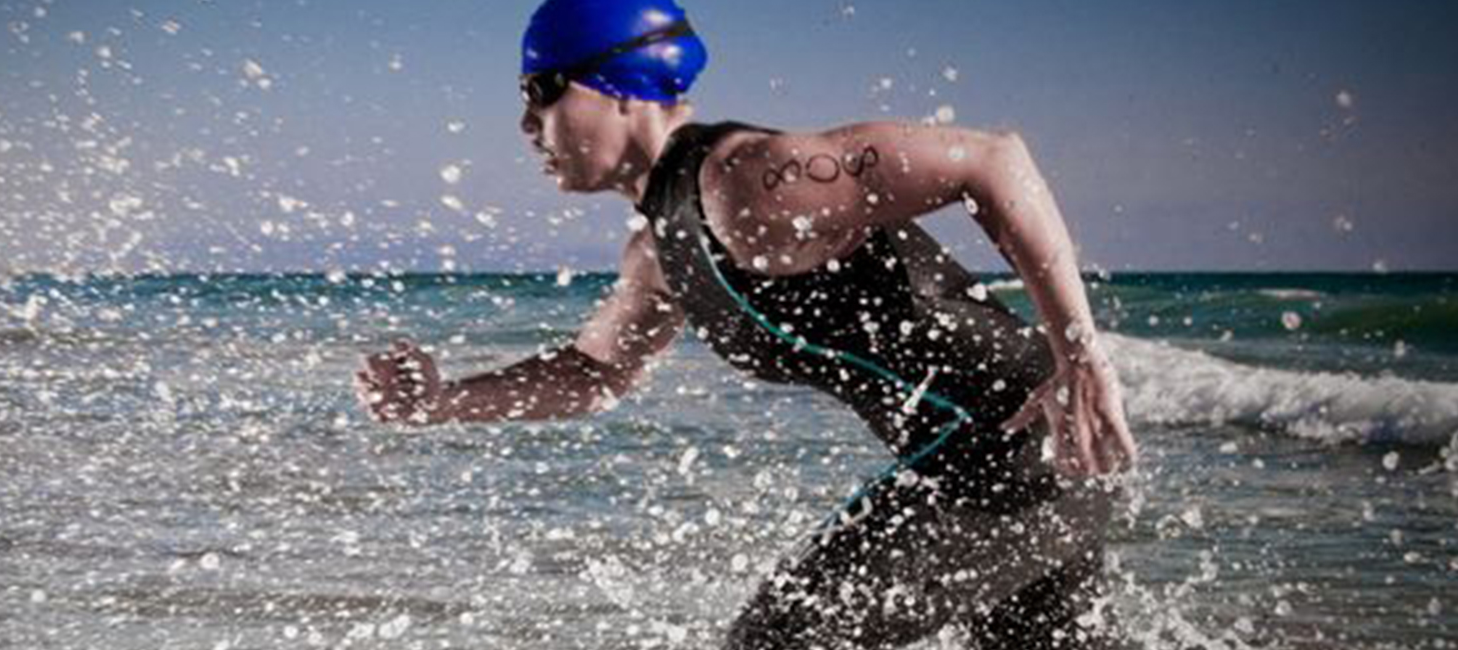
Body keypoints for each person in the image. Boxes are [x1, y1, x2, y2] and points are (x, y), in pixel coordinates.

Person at [354, 1, 1138, 647]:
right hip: (1013, 469)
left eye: (545, 88)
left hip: (1013, 464)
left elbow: (993, 160)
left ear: (622, 86)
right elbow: (596, 374)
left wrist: (1080, 351)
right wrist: (438, 402)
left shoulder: (746, 183)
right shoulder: (659, 249)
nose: (527, 121)